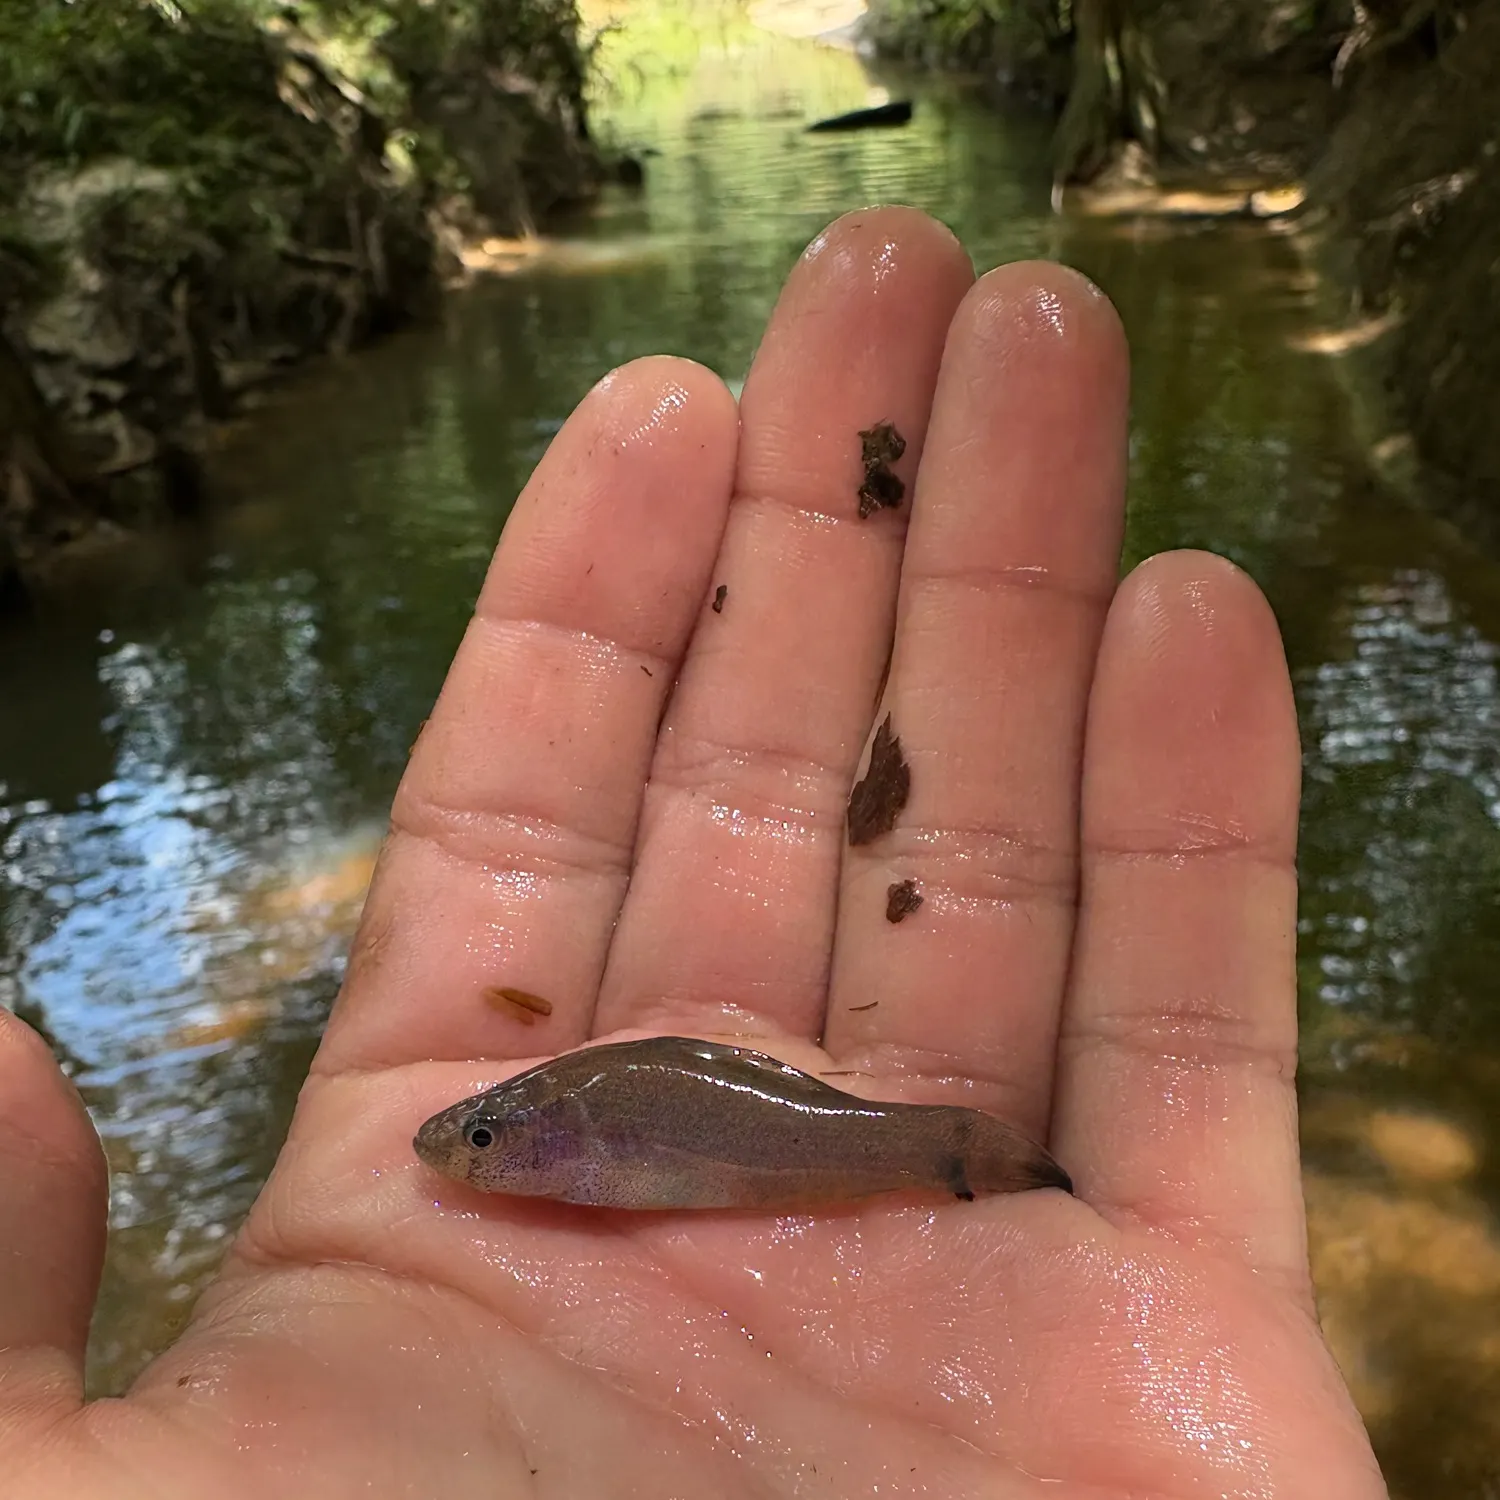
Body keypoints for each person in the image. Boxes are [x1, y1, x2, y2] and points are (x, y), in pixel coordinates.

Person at [0, 207, 1388, 1498]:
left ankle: (970, 1155)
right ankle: (968, 1156)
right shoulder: (571, 1140)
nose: (468, 1151)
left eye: (488, 1135)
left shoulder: (590, 1130)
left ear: (549, 1133)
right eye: (480, 1134)